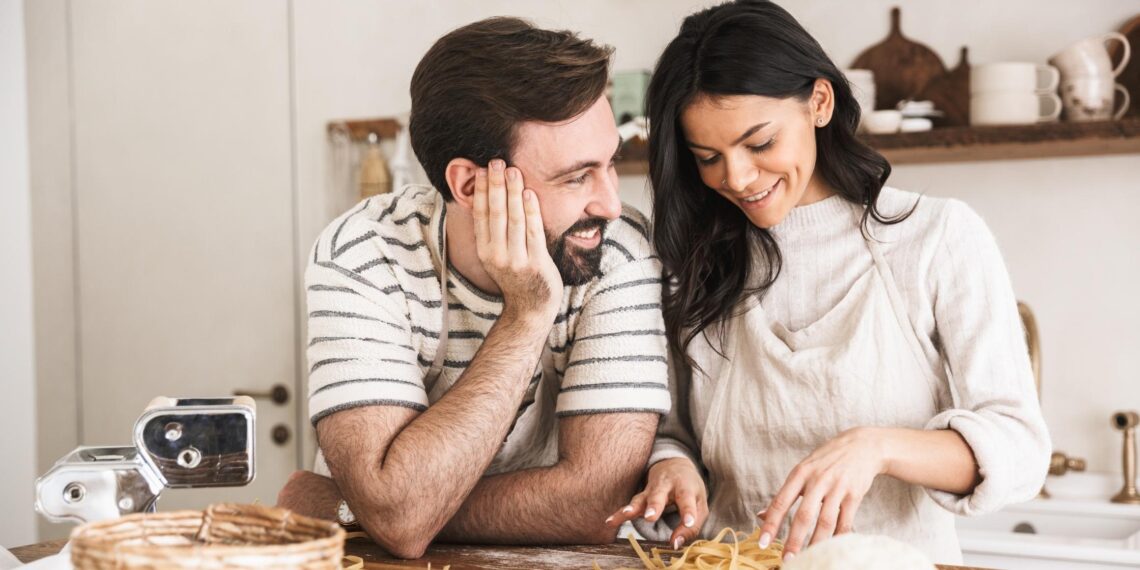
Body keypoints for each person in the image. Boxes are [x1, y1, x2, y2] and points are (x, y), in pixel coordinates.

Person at [604, 0, 1051, 564]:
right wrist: (672, 464)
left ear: (819, 102)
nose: (736, 178)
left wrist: (879, 447)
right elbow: (674, 433)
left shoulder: (937, 238)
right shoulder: (694, 259)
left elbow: (1020, 449)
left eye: (760, 144)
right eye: (707, 157)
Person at [277, 17, 670, 559]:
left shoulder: (619, 252)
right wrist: (528, 313)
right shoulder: (361, 254)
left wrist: (348, 505)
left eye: (609, 164)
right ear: (468, 184)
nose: (609, 203)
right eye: (577, 176)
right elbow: (399, 519)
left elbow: (597, 502)